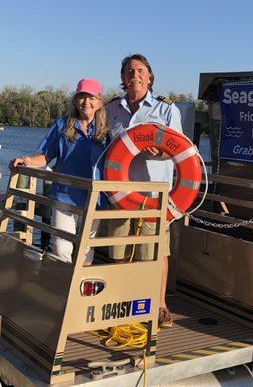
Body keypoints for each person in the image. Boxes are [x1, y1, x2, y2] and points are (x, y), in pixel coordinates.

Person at [106, 54, 182, 328]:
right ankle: (120, 303)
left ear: (149, 77)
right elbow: (101, 146)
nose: (134, 75)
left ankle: (159, 305)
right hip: (120, 194)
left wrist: (160, 152)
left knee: (156, 253)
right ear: (123, 78)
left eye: (140, 71)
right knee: (117, 250)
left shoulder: (166, 111)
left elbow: (180, 154)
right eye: (129, 71)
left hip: (154, 197)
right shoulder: (111, 110)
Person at [9, 78, 109, 265]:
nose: (86, 102)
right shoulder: (62, 125)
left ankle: (80, 292)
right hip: (64, 197)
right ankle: (62, 289)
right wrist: (27, 161)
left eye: (91, 97)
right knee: (61, 248)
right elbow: (46, 156)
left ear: (99, 101)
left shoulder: (108, 129)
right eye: (81, 97)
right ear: (75, 100)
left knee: (86, 250)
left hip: (95, 199)